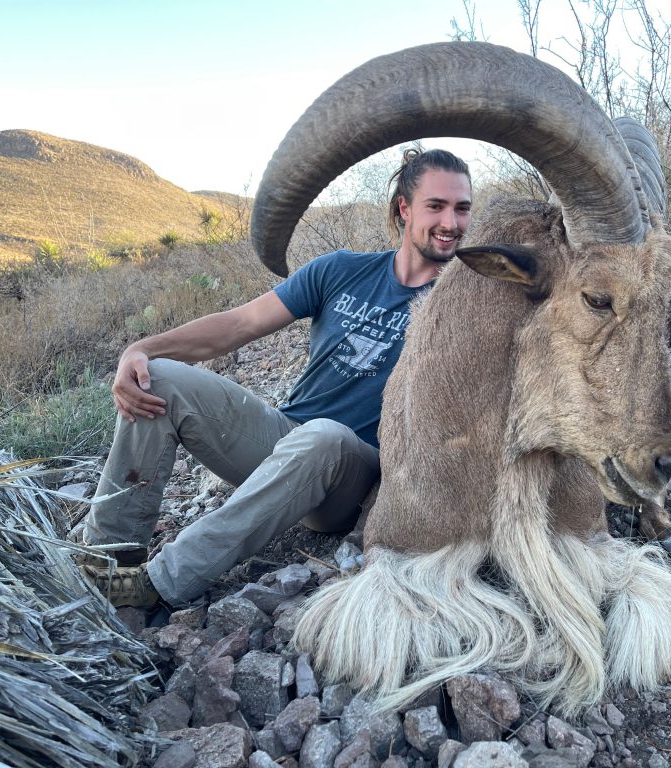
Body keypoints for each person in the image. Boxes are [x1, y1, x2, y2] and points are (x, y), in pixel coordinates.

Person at [80, 148, 473, 609]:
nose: (451, 222)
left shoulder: (464, 304)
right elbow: (239, 324)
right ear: (404, 208)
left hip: (353, 477)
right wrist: (143, 349)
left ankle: (156, 587)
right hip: (284, 446)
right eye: (437, 206)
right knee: (160, 378)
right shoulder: (341, 271)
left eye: (462, 208)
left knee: (325, 437)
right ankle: (106, 564)